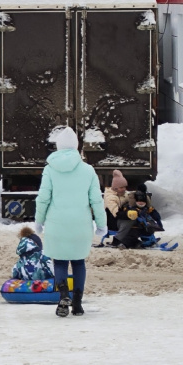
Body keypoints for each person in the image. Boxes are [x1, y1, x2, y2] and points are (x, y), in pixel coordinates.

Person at [34, 127, 107, 318]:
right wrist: (101, 224)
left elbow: (43, 198)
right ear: (76, 147)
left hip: (57, 225)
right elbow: (96, 200)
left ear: (58, 146)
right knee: (78, 262)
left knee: (59, 261)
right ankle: (78, 304)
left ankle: (63, 296)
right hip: (80, 225)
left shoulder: (50, 169)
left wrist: (39, 220)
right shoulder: (88, 170)